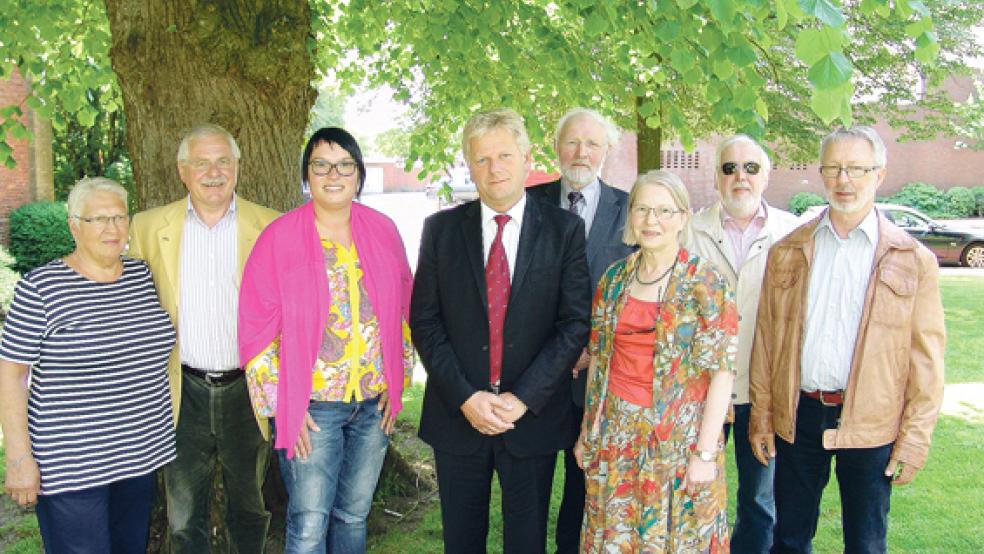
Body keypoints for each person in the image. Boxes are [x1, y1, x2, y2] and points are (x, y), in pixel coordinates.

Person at [749, 126, 946, 554]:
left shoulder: (913, 260)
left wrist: (914, 439)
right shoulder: (788, 250)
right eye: (834, 168)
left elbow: (927, 360)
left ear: (878, 174)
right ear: (821, 173)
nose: (844, 180)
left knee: (866, 543)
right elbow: (767, 340)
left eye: (856, 169)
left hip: (874, 424)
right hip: (799, 415)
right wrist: (762, 414)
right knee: (789, 539)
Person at [410, 107, 591, 553]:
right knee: (462, 542)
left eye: (505, 156)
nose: (495, 169)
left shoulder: (564, 230)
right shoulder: (440, 230)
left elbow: (573, 324)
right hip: (458, 415)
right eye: (482, 159)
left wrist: (523, 398)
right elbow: (425, 322)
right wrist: (467, 398)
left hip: (531, 419)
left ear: (527, 159)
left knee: (527, 543)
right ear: (469, 165)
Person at [238, 127, 414, 553]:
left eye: (344, 165)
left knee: (353, 516)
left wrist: (399, 379)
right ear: (307, 175)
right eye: (321, 165)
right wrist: (285, 407)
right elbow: (256, 328)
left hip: (373, 405)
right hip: (312, 410)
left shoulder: (384, 230)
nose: (333, 174)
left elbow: (405, 312)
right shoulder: (279, 237)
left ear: (358, 175)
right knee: (310, 523)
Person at [0, 177, 176, 552]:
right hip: (72, 465)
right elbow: (11, 374)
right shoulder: (41, 288)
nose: (111, 229)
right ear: (73, 225)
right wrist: (18, 458)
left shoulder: (141, 277)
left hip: (138, 454)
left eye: (118, 217)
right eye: (97, 219)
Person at [128, 123, 280, 552]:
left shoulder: (270, 225)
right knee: (182, 514)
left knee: (250, 508)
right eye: (201, 163)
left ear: (237, 167)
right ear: (182, 171)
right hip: (180, 389)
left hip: (247, 389)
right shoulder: (146, 227)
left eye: (223, 161)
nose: (213, 172)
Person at [575, 169, 737, 553]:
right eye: (643, 209)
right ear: (630, 215)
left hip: (680, 443)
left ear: (683, 218)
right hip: (616, 439)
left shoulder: (706, 283)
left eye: (665, 210)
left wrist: (705, 454)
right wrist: (587, 430)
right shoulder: (613, 280)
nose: (652, 220)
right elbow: (599, 362)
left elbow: (722, 375)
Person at [526, 107, 634, 554]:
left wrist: (594, 346)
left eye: (592, 143)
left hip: (597, 380)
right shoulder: (527, 203)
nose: (581, 152)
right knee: (528, 491)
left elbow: (638, 290)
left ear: (607, 151)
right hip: (534, 375)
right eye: (572, 142)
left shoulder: (630, 209)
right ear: (555, 147)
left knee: (584, 489)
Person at [687, 134, 799, 552]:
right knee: (694, 490)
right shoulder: (689, 231)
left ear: (766, 176)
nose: (740, 177)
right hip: (700, 389)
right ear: (716, 177)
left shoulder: (792, 234)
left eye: (751, 168)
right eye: (730, 168)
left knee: (758, 497)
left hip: (761, 388)